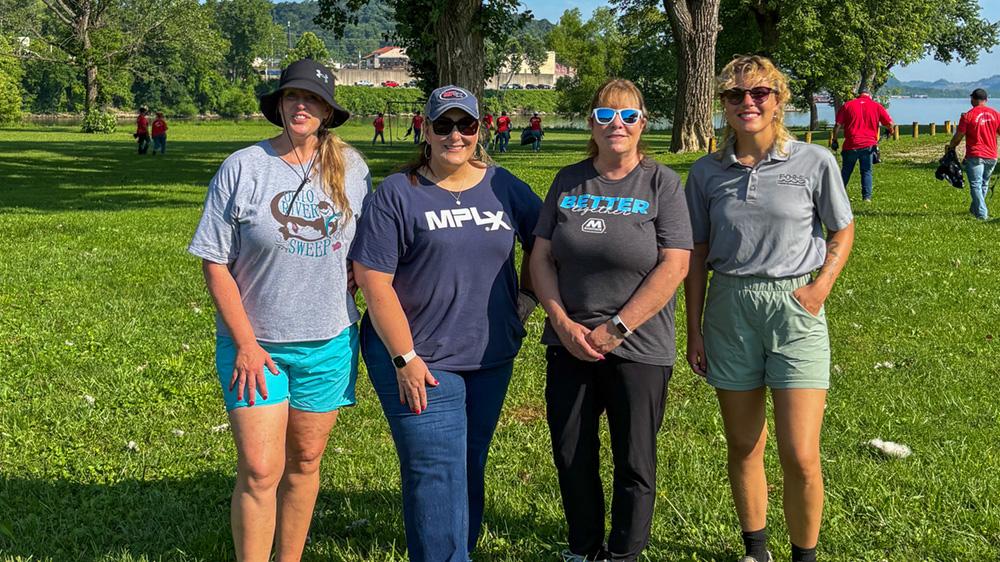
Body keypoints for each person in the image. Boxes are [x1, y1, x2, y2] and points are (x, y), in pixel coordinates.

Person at [350, 85, 542, 562]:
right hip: (419, 358)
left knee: (468, 461)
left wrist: (525, 302)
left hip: (488, 355)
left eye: (466, 125)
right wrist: (405, 357)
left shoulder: (505, 187)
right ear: (427, 130)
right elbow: (373, 281)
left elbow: (549, 243)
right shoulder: (398, 193)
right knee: (435, 468)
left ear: (480, 128)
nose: (455, 135)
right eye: (444, 125)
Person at [188, 58, 369, 562]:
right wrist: (245, 343)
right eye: (293, 96)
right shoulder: (243, 167)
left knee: (306, 462)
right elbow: (214, 260)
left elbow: (365, 245)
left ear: (329, 110)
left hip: (329, 341)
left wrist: (358, 271)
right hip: (258, 346)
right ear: (280, 104)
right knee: (260, 469)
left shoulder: (353, 168)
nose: (301, 106)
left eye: (312, 98)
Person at [684, 55, 855, 562]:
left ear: (779, 99)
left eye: (759, 92)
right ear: (723, 106)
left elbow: (841, 229)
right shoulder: (705, 173)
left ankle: (805, 555)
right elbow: (695, 254)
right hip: (729, 307)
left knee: (800, 455)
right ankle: (755, 549)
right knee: (743, 445)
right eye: (735, 96)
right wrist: (693, 329)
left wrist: (821, 286)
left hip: (795, 307)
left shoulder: (814, 161)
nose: (747, 103)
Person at [531, 79, 692, 562]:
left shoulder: (662, 182)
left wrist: (617, 328)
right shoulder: (568, 180)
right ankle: (583, 548)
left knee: (634, 460)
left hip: (639, 347)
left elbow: (675, 264)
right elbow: (540, 258)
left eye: (627, 116)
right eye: (604, 116)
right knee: (572, 454)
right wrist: (560, 321)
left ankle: (623, 554)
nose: (615, 125)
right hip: (570, 342)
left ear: (643, 122)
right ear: (591, 124)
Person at [831, 87, 893, 202]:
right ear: (870, 95)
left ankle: (837, 196)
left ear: (858, 95)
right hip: (868, 145)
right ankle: (867, 198)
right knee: (866, 171)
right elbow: (889, 123)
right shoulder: (877, 106)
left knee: (846, 170)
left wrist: (834, 140)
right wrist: (890, 131)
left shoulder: (847, 105)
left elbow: (837, 125)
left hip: (850, 144)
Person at [947, 88, 1000, 220]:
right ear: (986, 100)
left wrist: (951, 146)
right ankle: (974, 209)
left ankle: (982, 214)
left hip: (975, 154)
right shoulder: (996, 114)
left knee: (976, 184)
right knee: (984, 183)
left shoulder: (967, 116)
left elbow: (959, 136)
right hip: (992, 155)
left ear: (973, 99)